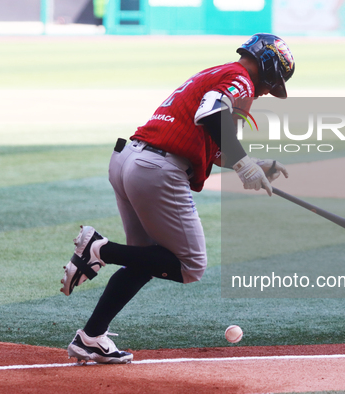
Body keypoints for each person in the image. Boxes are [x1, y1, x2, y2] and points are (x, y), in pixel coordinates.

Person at [60, 33, 295, 364]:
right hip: (157, 168)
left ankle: (91, 337)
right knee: (191, 265)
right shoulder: (240, 79)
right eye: (274, 83)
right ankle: (99, 248)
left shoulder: (218, 73)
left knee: (144, 259)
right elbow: (211, 115)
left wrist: (252, 164)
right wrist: (242, 164)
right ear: (268, 66)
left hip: (130, 158)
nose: (270, 90)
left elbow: (211, 145)